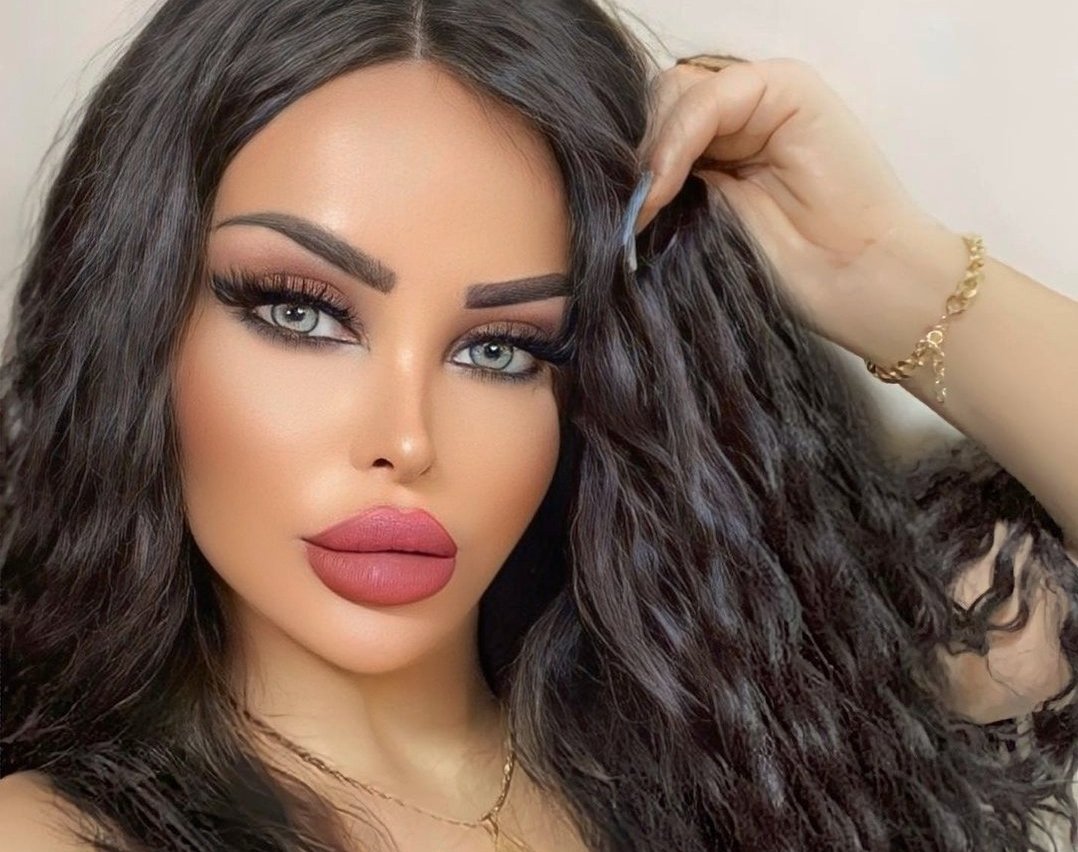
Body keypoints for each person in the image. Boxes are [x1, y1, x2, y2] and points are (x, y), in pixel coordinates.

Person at [1, 1, 1075, 850]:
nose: (407, 439)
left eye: (500, 349)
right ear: (138, 327)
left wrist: (885, 270)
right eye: (300, 313)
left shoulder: (775, 745)